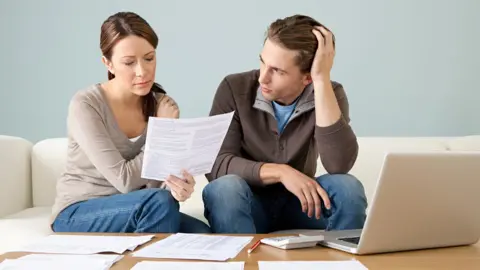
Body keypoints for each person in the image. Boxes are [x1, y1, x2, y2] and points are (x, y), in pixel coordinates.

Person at [203, 14, 368, 234]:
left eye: (278, 71)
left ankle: (347, 265)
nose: (263, 78)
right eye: (263, 62)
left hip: (303, 205)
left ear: (307, 77)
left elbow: (339, 166)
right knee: (224, 189)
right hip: (246, 203)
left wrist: (322, 81)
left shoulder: (328, 92)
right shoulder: (234, 87)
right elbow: (216, 165)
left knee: (348, 188)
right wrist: (281, 172)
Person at [51, 11, 210, 234]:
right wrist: (161, 133)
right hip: (78, 212)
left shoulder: (162, 106)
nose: (142, 71)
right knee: (160, 203)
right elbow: (124, 180)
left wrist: (177, 188)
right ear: (108, 63)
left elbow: (155, 182)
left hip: (140, 206)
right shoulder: (86, 104)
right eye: (129, 62)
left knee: (202, 234)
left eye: (149, 58)